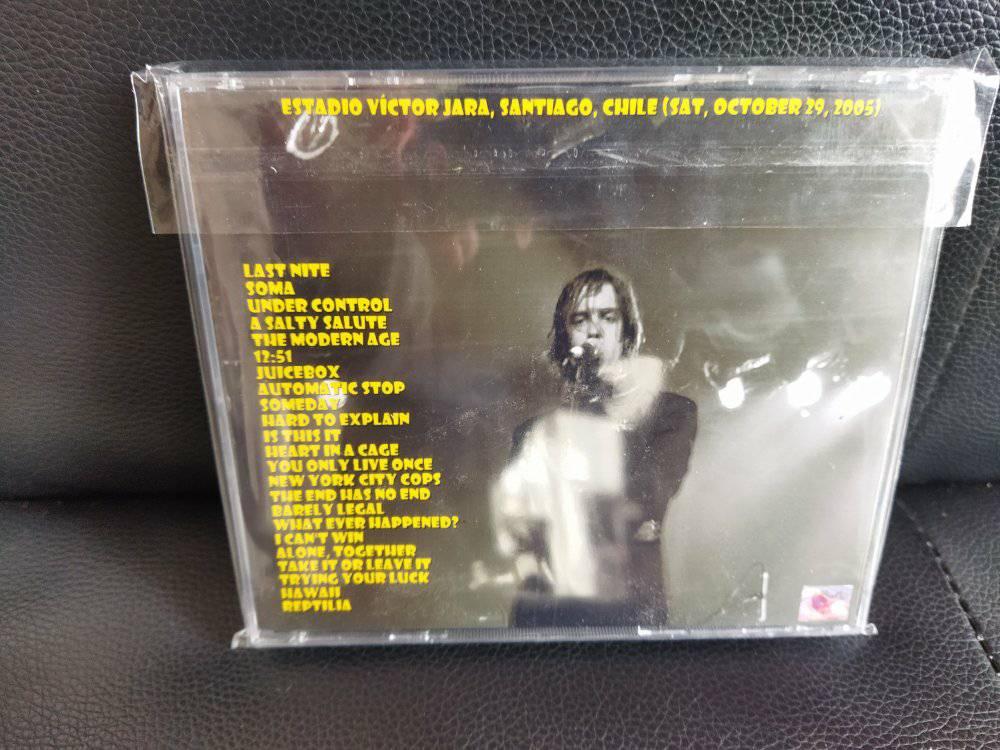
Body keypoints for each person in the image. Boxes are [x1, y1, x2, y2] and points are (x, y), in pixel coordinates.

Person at [492, 267, 697, 627]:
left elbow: (645, 497)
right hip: (547, 619)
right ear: (566, 336)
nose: (594, 330)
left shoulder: (671, 413)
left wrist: (611, 400)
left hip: (624, 617)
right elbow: (522, 534)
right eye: (580, 320)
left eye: (608, 317)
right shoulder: (531, 434)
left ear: (626, 331)